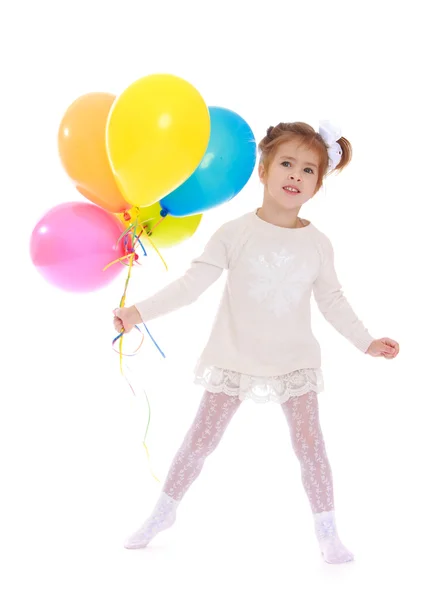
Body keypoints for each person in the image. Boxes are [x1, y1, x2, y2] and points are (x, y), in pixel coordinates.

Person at [113, 120, 400, 564]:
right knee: (200, 439)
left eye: (308, 170)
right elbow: (192, 285)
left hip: (294, 360)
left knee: (310, 443)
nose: (295, 175)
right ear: (263, 170)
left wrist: (366, 341)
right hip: (235, 354)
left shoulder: (318, 243)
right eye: (286, 163)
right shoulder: (234, 233)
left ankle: (328, 531)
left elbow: (333, 301)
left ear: (317, 184)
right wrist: (137, 313)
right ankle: (162, 512)